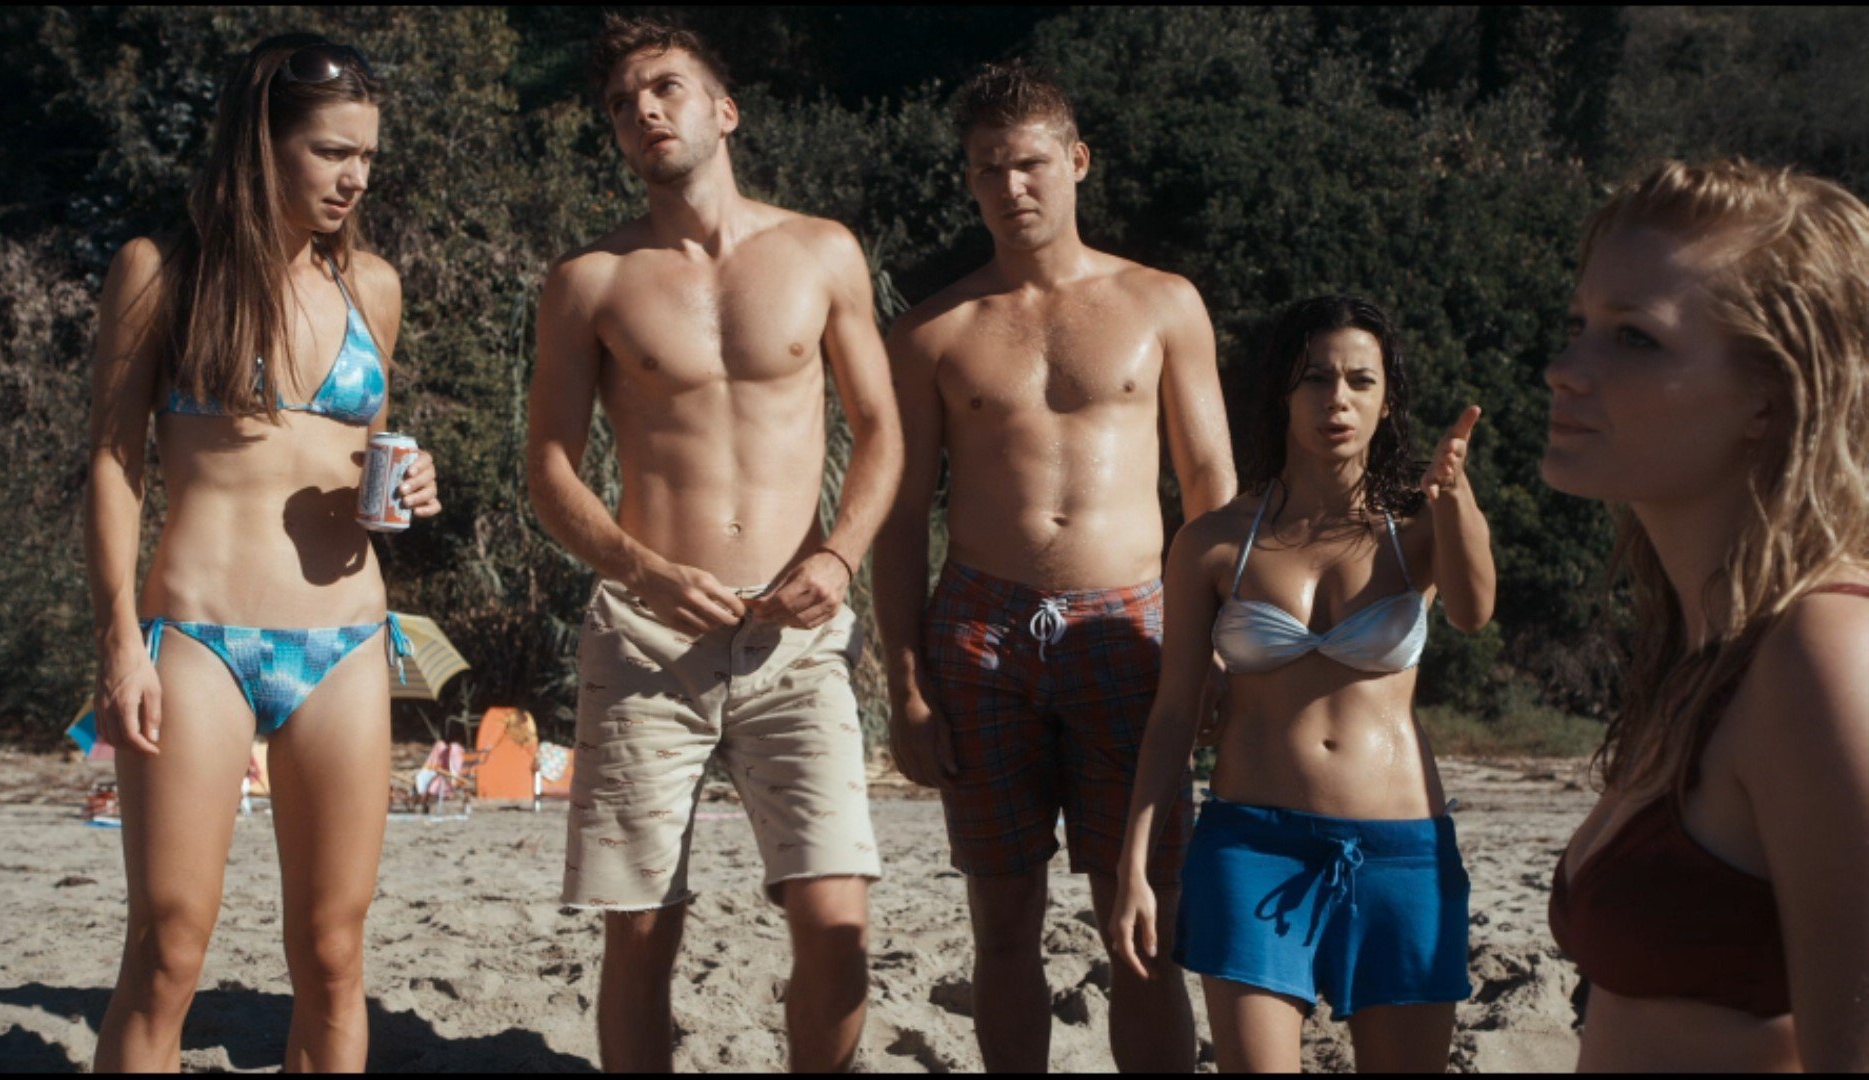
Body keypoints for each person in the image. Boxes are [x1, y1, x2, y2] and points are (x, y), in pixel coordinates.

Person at [524, 15, 903, 1073]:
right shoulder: (589, 279)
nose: (643, 110)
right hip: (648, 637)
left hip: (796, 636)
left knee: (838, 922)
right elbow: (548, 468)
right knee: (641, 928)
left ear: (724, 110)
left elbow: (882, 429)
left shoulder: (821, 251)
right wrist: (639, 568)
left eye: (665, 88)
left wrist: (839, 557)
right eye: (621, 103)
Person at [84, 33, 438, 1072]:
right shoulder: (160, 274)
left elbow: (365, 455)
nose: (355, 177)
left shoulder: (372, 286)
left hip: (347, 642)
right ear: (260, 142)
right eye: (332, 152)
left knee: (333, 955)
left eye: (366, 155)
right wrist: (118, 644)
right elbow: (113, 462)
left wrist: (408, 485)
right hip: (198, 638)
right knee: (167, 950)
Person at [873, 62, 1237, 1072]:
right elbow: (899, 520)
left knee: (1145, 917)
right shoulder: (932, 331)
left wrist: (1216, 641)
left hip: (1132, 622)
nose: (1011, 186)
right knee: (1001, 922)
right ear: (969, 179)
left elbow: (1211, 489)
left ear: (1076, 160)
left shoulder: (1162, 304)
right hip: (981, 628)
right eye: (988, 168)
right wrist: (903, 684)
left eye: (1029, 162)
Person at [1111, 295, 1496, 1073]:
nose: (1338, 400)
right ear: (1282, 394)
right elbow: (1175, 713)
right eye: (1316, 378)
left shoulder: (1419, 530)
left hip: (1402, 851)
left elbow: (1473, 611)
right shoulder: (1213, 542)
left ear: (1388, 401)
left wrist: (1456, 499)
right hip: (1252, 845)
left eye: (1361, 380)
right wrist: (1136, 864)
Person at [1542, 159, 1869, 1072]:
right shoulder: (1708, 648)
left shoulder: (1824, 656)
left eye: (1635, 338)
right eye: (1577, 326)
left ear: (1774, 393)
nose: (1565, 371)